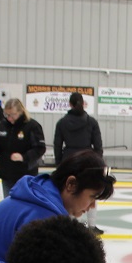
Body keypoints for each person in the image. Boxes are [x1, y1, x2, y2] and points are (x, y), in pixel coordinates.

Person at [53, 92, 104, 234]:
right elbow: (98, 145)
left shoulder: (62, 123)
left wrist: (59, 164)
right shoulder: (92, 122)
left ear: (69, 104)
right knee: (91, 193)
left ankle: (69, 224)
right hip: (89, 163)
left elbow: (57, 145)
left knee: (69, 193)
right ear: (83, 103)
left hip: (68, 161)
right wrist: (97, 163)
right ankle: (92, 226)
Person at [0, 98, 44, 197]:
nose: (10, 118)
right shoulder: (2, 126)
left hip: (26, 175)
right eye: (7, 115)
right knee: (9, 204)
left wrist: (24, 157)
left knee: (25, 205)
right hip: (7, 173)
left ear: (20, 112)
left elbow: (40, 148)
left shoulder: (32, 126)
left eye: (13, 115)